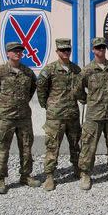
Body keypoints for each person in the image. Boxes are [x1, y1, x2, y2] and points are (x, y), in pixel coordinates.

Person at [0, 42, 40, 194]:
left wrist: (20, 104)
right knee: (2, 147)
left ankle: (26, 175)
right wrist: (1, 105)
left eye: (20, 51)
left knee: (26, 147)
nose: (18, 53)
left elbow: (31, 90)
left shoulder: (28, 72)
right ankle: (0, 178)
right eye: (14, 51)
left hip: (23, 116)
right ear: (7, 53)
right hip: (5, 117)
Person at [75, 37, 108, 190]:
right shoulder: (87, 70)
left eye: (103, 47)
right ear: (93, 50)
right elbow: (77, 89)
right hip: (94, 115)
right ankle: (85, 174)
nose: (101, 50)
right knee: (88, 145)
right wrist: (89, 101)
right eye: (98, 48)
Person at [37, 38, 84, 191]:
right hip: (55, 116)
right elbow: (41, 91)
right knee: (52, 147)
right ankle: (50, 176)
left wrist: (83, 99)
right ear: (57, 51)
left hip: (72, 114)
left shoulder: (76, 70)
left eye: (68, 50)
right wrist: (49, 106)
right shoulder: (49, 70)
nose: (65, 53)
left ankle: (78, 169)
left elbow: (80, 90)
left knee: (76, 145)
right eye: (62, 50)